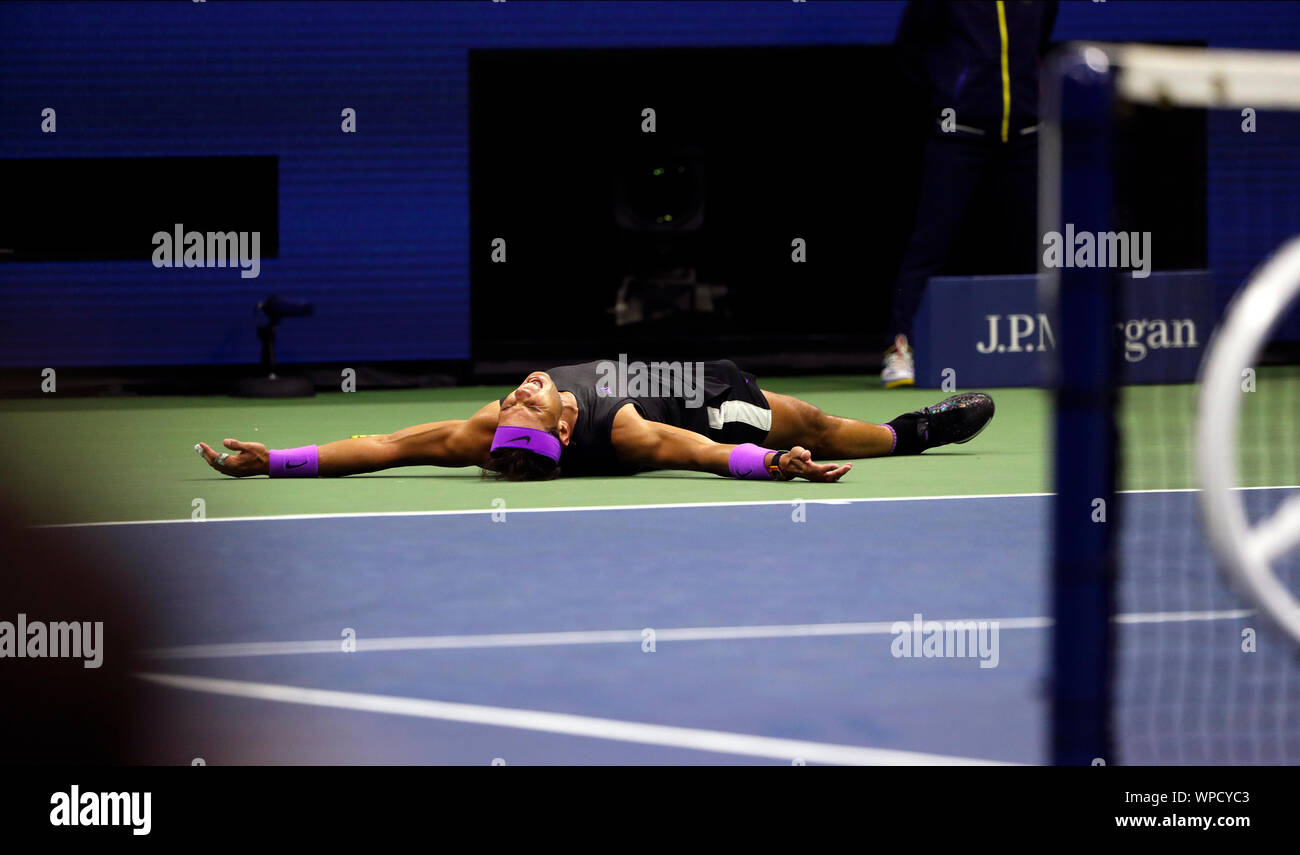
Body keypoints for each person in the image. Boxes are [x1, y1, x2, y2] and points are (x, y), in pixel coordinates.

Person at [197, 359, 994, 483]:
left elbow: (386, 443)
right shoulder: (624, 433)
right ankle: (914, 432)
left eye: (516, 401)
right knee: (811, 421)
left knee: (810, 417)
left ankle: (906, 429)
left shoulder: (489, 428)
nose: (518, 394)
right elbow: (701, 451)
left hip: (662, 370)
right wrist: (773, 463)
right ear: (564, 432)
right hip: (696, 399)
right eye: (524, 402)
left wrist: (279, 459)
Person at [883, 0, 1058, 387]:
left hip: (1027, 133)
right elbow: (912, 47)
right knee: (930, 244)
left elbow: (1040, 41)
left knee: (1047, 244)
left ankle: (1060, 348)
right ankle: (900, 351)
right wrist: (951, 92)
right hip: (959, 132)